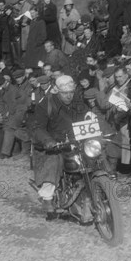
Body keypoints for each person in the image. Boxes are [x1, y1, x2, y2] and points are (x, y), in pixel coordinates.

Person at [28, 75, 89, 220]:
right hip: (53, 145)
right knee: (53, 161)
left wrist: (104, 132)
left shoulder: (79, 102)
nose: (68, 96)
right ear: (57, 91)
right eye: (64, 93)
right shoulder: (46, 104)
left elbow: (90, 117)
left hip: (74, 141)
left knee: (94, 155)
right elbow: (37, 128)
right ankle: (48, 198)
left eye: (71, 92)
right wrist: (48, 141)